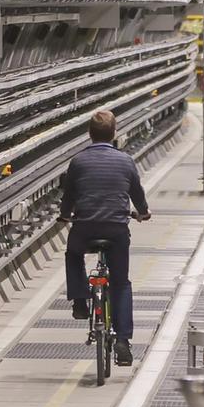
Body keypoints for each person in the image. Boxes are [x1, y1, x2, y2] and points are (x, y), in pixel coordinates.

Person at [59, 109, 151, 366]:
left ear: (90, 134)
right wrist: (143, 213)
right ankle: (123, 340)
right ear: (114, 133)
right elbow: (138, 195)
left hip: (85, 227)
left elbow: (68, 197)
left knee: (73, 253)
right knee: (120, 282)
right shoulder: (126, 162)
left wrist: (65, 215)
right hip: (116, 229)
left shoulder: (78, 162)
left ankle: (79, 299)